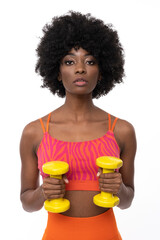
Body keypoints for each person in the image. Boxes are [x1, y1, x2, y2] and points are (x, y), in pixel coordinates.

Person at [20, 11, 136, 240]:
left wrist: (119, 188)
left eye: (90, 61)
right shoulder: (34, 132)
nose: (80, 68)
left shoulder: (121, 130)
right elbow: (27, 203)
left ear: (101, 72)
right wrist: (43, 192)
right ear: (57, 71)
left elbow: (127, 201)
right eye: (70, 61)